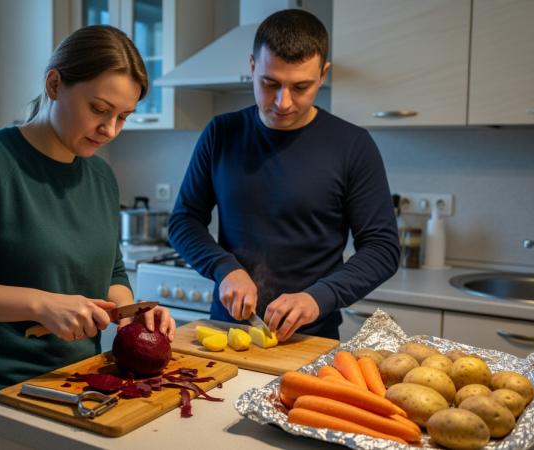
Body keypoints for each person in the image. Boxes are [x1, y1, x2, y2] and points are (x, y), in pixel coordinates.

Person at [0, 25, 176, 450]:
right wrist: (39, 303)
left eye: (123, 117)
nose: (110, 130)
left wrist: (133, 316)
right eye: (99, 109)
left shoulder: (101, 175)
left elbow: (111, 269)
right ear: (54, 84)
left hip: (76, 395)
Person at [167, 10, 400, 343]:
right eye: (270, 83)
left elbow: (382, 248)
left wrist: (318, 297)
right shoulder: (221, 133)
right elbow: (183, 221)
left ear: (323, 75)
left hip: (311, 340)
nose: (283, 102)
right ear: (252, 66)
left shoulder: (352, 145)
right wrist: (225, 268)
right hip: (227, 333)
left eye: (301, 86)